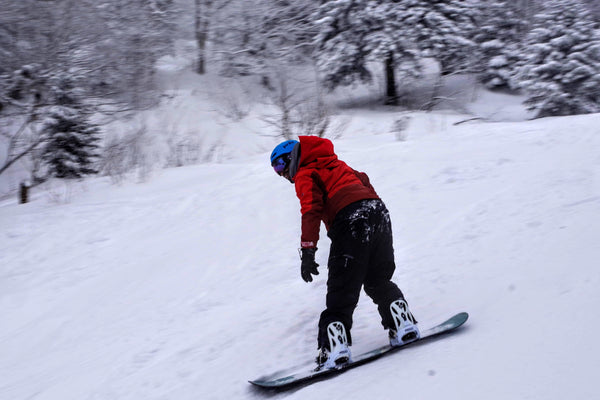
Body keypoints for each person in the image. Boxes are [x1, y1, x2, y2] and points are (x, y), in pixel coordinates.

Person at [270, 136, 420, 370]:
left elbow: (310, 210)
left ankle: (333, 348)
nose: (280, 173)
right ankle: (402, 322)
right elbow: (364, 181)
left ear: (292, 156)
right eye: (275, 169)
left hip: (350, 221)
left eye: (280, 165)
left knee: (341, 289)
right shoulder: (337, 164)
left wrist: (308, 251)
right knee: (377, 279)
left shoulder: (305, 173)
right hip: (378, 213)